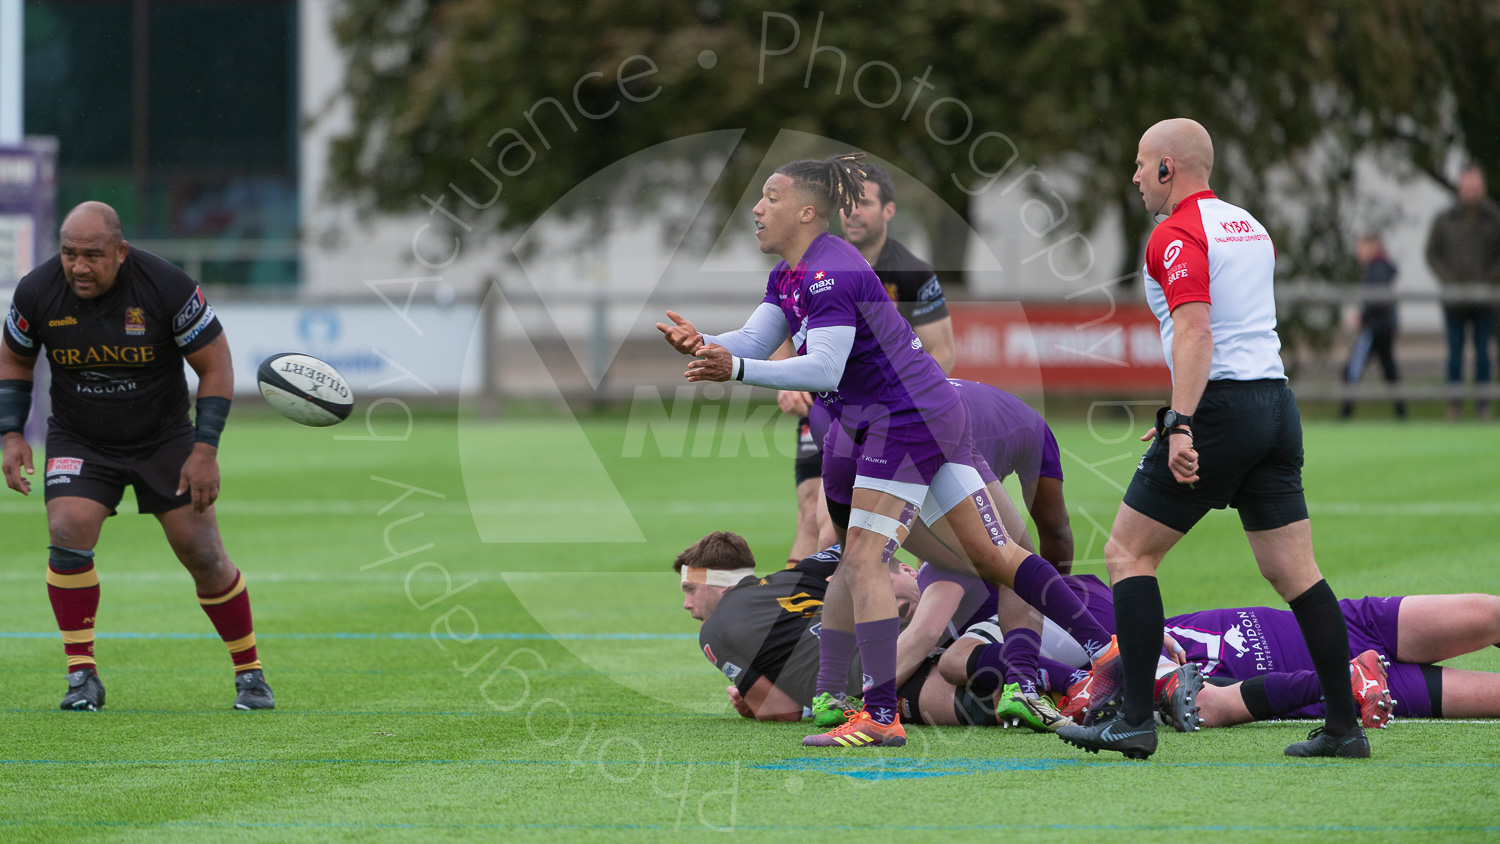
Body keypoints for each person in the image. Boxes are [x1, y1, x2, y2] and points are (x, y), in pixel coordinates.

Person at [660, 154, 1119, 750]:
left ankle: (878, 715)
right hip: (918, 415)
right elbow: (753, 339)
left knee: (865, 559)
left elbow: (823, 366)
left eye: (770, 196)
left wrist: (737, 369)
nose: (756, 207)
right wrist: (704, 343)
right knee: (998, 555)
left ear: (806, 210)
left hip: (903, 420)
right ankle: (1107, 650)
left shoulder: (830, 271)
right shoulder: (791, 275)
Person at [1055, 119, 1367, 760]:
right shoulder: (1249, 225)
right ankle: (1344, 728)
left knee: (1127, 555)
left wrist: (1183, 423)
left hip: (1221, 409)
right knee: (1296, 572)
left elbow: (1197, 333)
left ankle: (1135, 721)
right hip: (1275, 405)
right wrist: (1186, 411)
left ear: (1169, 168)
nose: (1135, 176)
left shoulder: (1175, 232)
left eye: (1142, 164)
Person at [0, 201, 272, 712]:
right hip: (81, 439)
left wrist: (205, 449)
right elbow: (14, 356)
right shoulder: (36, 291)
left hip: (164, 438)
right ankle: (82, 676)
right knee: (66, 529)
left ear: (121, 252)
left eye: (93, 255)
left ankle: (250, 673)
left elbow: (216, 366)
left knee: (204, 553)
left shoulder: (168, 287)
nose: (79, 266)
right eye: (69, 253)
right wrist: (11, 434)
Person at [780, 161, 955, 564]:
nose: (853, 212)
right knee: (813, 514)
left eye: (865, 203)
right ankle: (804, 620)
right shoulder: (808, 263)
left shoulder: (912, 274)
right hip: (826, 409)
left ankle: (882, 604)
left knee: (865, 529)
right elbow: (782, 327)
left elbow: (942, 353)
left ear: (889, 211)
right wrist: (789, 380)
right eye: (846, 204)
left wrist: (904, 407)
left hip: (889, 418)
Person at [1425, 165, 1500, 421]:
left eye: (1475, 188)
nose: (1471, 192)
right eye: (1467, 187)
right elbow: (1432, 254)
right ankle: (1454, 405)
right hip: (1454, 301)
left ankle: (1483, 405)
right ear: (1460, 188)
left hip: (1485, 300)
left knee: (1483, 354)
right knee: (1454, 355)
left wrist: (1489, 281)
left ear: (1482, 188)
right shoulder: (1445, 220)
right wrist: (1448, 280)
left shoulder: (1494, 218)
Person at [1340, 235, 1405, 420]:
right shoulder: (1381, 267)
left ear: (1372, 247)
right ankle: (1401, 413)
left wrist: (1362, 317)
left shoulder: (1377, 269)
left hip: (1374, 328)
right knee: (1390, 371)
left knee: (1352, 370)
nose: (1358, 252)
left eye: (1361, 247)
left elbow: (1377, 300)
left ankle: (1345, 414)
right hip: (1384, 327)